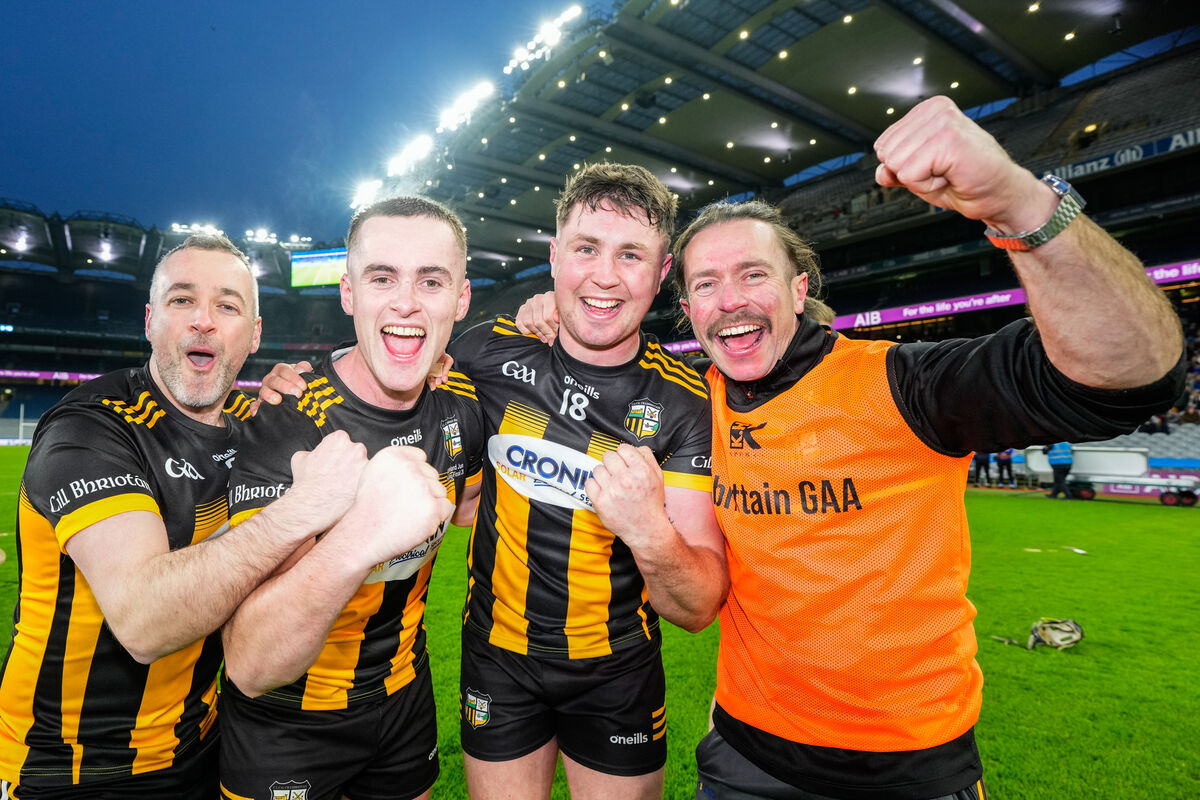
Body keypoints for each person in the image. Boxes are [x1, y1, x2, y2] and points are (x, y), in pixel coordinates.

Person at [664, 95, 1183, 800]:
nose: (730, 299)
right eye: (706, 284)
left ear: (798, 288)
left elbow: (1132, 377)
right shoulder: (691, 402)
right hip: (745, 757)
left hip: (909, 769)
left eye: (752, 274)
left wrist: (1015, 201)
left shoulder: (901, 381)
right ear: (690, 311)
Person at [260, 163, 728, 800]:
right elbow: (389, 377)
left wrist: (647, 528)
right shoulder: (487, 352)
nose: (606, 275)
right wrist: (293, 379)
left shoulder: (685, 402)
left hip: (616, 670)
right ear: (556, 255)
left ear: (663, 272)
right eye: (587, 249)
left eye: (632, 255)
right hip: (497, 658)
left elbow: (698, 606)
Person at [0, 234, 414, 798]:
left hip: (204, 748)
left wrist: (426, 360)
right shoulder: (91, 427)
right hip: (66, 769)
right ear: (149, 320)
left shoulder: (257, 424)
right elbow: (143, 622)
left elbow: (364, 402)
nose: (204, 321)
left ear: (254, 335)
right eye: (181, 300)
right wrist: (297, 511)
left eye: (228, 305)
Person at [217, 197, 481, 800]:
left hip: (404, 702)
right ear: (348, 294)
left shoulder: (462, 406)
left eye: (431, 281)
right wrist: (361, 535)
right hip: (286, 722)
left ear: (460, 300)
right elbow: (252, 664)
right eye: (382, 277)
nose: (406, 302)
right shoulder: (285, 423)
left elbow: (481, 495)